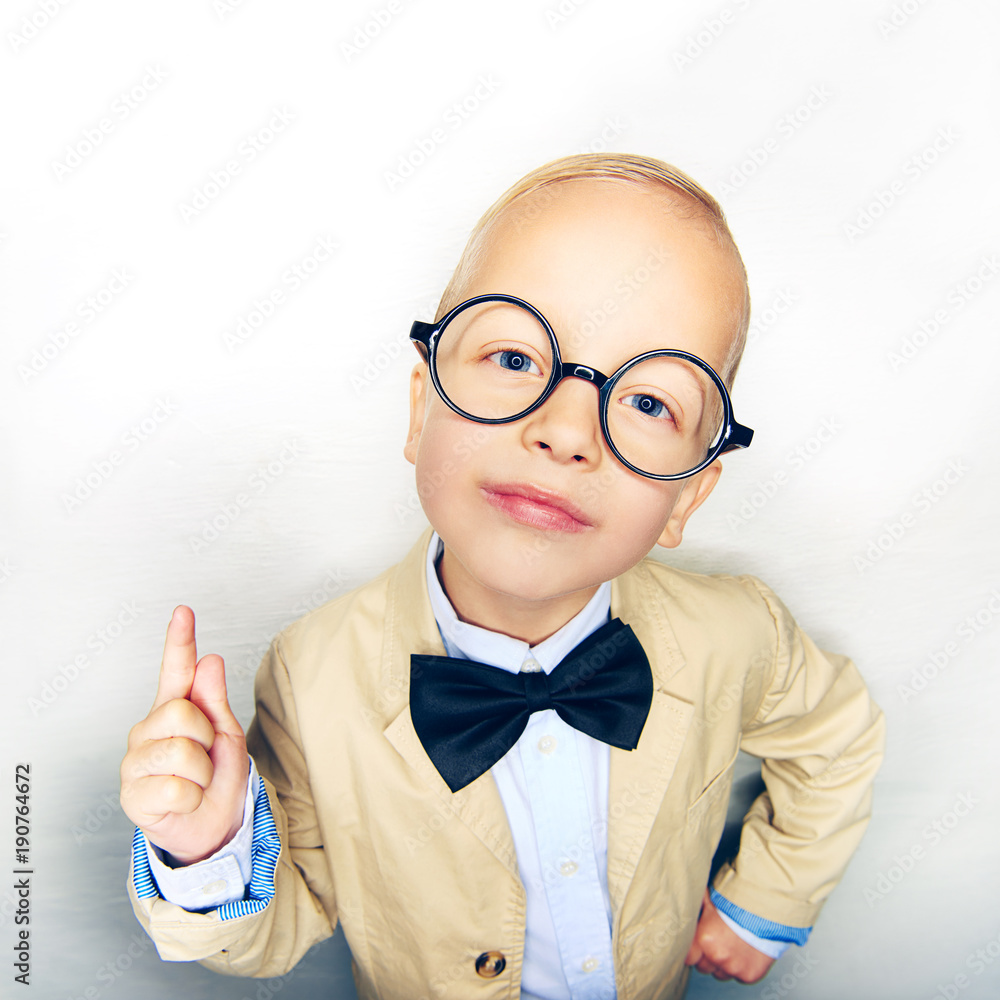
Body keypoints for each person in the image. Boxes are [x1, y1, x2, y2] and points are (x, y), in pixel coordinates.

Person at [120, 153, 885, 1000]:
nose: (566, 430)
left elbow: (840, 739)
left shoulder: (738, 635)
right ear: (422, 406)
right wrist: (205, 846)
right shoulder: (315, 671)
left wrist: (761, 905)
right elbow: (276, 932)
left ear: (687, 496)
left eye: (647, 402)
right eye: (517, 358)